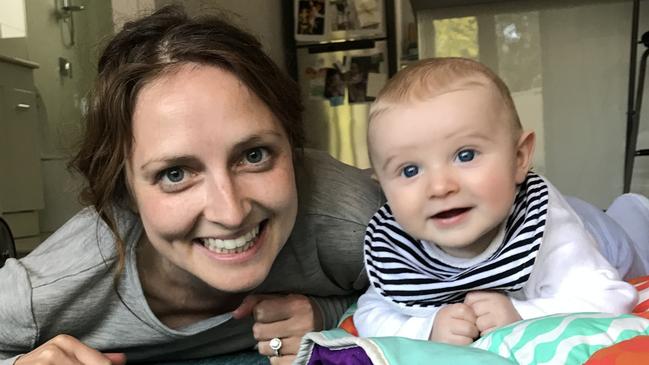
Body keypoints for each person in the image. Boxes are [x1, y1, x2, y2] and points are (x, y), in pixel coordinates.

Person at [0, 5, 383, 365]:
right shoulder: (46, 289)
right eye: (176, 174)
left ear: (293, 145)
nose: (231, 213)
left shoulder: (356, 223)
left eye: (254, 156)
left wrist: (332, 314)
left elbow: (438, 290)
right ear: (124, 191)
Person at [353, 57, 639, 345]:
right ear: (384, 188)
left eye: (465, 155)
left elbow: (609, 297)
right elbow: (370, 313)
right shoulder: (399, 248)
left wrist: (522, 313)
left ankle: (634, 209)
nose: (439, 188)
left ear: (518, 158)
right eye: (410, 170)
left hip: (601, 233)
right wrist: (427, 329)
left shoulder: (545, 226)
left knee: (633, 235)